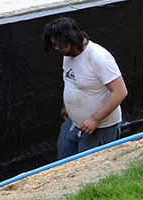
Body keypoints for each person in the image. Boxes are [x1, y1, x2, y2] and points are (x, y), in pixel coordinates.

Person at [43, 17, 128, 160]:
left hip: (100, 128)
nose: (56, 48)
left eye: (59, 45)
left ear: (70, 39)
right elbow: (71, 80)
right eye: (54, 44)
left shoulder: (99, 58)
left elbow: (120, 92)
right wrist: (67, 106)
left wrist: (95, 119)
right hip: (73, 123)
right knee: (63, 167)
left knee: (90, 173)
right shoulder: (68, 54)